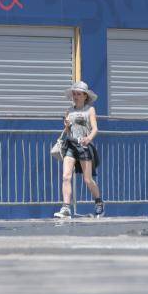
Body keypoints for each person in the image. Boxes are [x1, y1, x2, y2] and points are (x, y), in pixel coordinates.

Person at [54, 81, 103, 219]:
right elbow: (68, 130)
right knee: (66, 176)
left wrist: (89, 139)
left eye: (79, 94)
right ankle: (66, 208)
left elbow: (95, 129)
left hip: (83, 145)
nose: (75, 96)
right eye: (74, 94)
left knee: (88, 180)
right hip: (71, 144)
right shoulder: (69, 111)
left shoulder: (90, 110)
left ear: (85, 96)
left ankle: (98, 201)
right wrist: (67, 126)